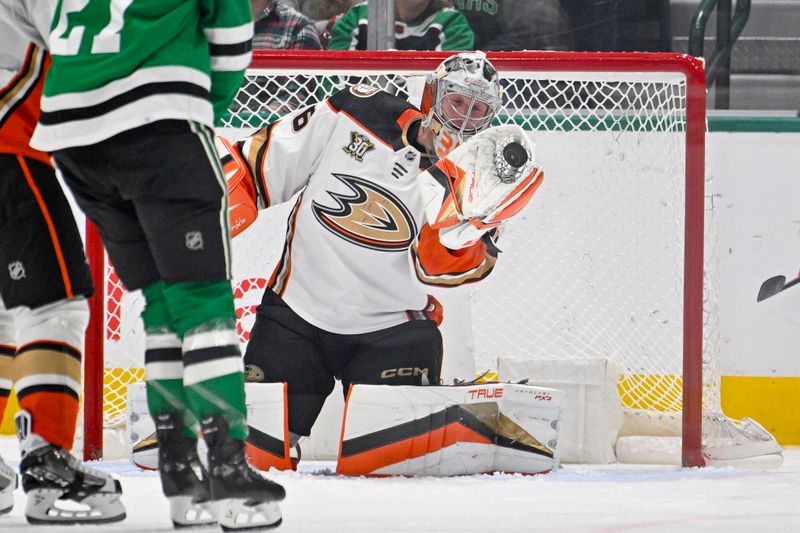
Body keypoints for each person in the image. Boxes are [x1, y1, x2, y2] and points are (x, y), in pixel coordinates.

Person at [17, 0, 284, 529]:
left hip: (71, 135)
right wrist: (205, 116)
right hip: (159, 122)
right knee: (202, 299)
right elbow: (231, 34)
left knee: (163, 296)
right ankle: (228, 471)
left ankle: (180, 471)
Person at [221, 52, 542, 459]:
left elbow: (443, 272)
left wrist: (468, 227)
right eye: (456, 102)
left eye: (477, 111)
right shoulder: (355, 111)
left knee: (388, 463)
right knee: (251, 456)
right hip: (297, 315)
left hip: (395, 333)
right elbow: (257, 166)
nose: (463, 119)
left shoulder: (482, 184)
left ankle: (450, 421)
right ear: (432, 96)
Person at [0, 6, 125, 524]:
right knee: (55, 305)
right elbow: (86, 42)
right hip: (7, 146)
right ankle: (48, 458)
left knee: (9, 310)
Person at [327, 0, 475, 51]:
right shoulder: (356, 17)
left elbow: (447, 92)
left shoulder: (453, 25)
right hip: (356, 117)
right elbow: (331, 82)